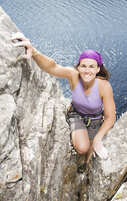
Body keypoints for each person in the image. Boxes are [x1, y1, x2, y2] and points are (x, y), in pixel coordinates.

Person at [12, 32, 116, 173]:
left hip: (96, 118)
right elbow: (52, 67)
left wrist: (98, 138)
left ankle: (85, 162)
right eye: (83, 66)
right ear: (78, 67)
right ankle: (83, 149)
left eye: (92, 67)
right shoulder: (73, 75)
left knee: (91, 146)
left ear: (98, 69)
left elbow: (110, 117)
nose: (87, 70)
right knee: (82, 148)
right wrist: (34, 51)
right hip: (77, 114)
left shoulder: (104, 86)